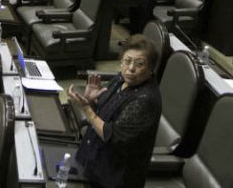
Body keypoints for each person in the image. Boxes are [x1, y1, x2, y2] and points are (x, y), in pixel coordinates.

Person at [67, 34, 162, 188]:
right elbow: (103, 116)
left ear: (150, 69)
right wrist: (91, 101)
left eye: (139, 63)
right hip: (93, 160)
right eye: (127, 61)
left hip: (114, 178)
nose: (131, 68)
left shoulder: (145, 100)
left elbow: (111, 136)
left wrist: (86, 108)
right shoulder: (121, 79)